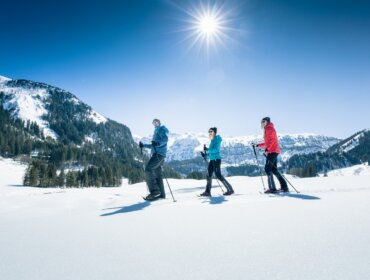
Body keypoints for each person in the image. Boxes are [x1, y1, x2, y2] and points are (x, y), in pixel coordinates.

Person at [253, 117, 289, 193]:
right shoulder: (267, 129)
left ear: (267, 122)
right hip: (272, 151)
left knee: (267, 169)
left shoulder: (270, 129)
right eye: (261, 122)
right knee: (274, 170)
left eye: (264, 121)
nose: (262, 123)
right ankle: (284, 187)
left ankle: (272, 188)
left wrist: (267, 149)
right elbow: (267, 142)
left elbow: (272, 141)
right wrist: (257, 145)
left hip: (272, 151)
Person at [139, 119, 169, 201]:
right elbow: (153, 145)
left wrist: (158, 143)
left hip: (159, 155)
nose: (155, 124)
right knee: (158, 174)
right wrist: (143, 145)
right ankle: (162, 194)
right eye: (153, 123)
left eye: (156, 122)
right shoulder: (156, 131)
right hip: (158, 154)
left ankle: (155, 191)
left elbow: (165, 140)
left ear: (159, 123)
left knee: (148, 169)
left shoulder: (162, 129)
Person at [200, 127, 234, 196]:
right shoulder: (212, 140)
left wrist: (208, 149)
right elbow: (211, 151)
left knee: (218, 175)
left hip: (216, 160)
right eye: (209, 131)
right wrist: (205, 154)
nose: (210, 133)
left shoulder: (217, 139)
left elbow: (215, 150)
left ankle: (230, 190)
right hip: (212, 160)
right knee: (209, 174)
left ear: (215, 132)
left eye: (211, 131)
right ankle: (207, 192)